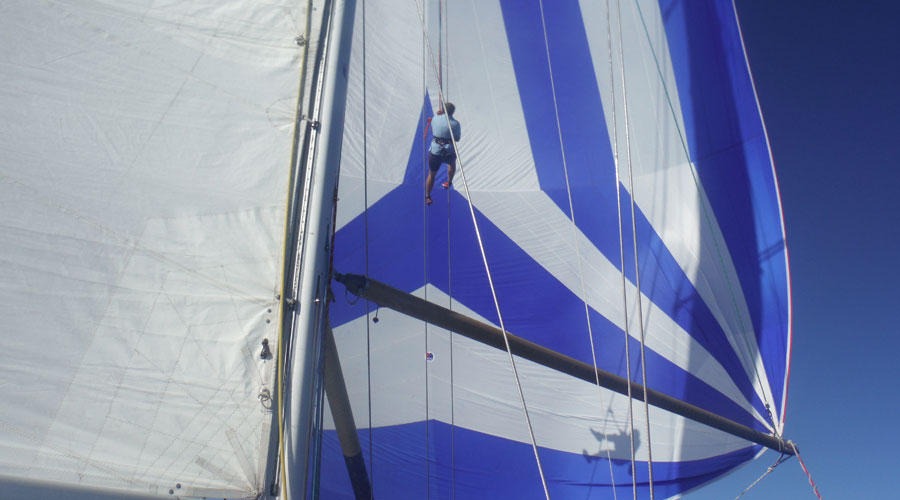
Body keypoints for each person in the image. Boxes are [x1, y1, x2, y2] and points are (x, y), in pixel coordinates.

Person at [425, 102, 461, 205]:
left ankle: (427, 196)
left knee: (432, 175)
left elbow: (433, 130)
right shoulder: (455, 124)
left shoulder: (435, 118)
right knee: (452, 165)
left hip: (435, 152)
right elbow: (457, 139)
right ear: (453, 112)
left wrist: (438, 117)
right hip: (448, 152)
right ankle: (449, 182)